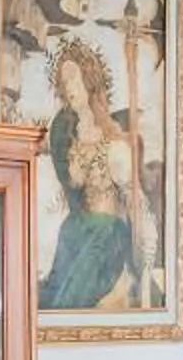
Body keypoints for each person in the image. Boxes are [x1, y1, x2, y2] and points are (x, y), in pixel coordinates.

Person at [40, 38, 139, 310]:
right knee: (51, 297)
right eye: (65, 81)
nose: (70, 87)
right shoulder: (67, 134)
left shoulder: (112, 140)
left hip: (105, 233)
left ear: (89, 78)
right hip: (76, 229)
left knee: (70, 297)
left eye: (74, 78)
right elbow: (71, 182)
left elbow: (134, 203)